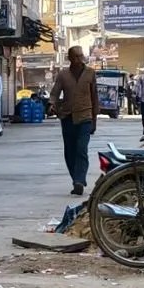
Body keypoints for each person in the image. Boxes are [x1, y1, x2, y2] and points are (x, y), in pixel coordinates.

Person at [48, 45, 102, 195]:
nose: (79, 59)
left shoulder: (90, 73)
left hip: (85, 117)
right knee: (69, 151)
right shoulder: (63, 75)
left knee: (81, 149)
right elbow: (55, 92)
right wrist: (51, 105)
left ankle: (80, 180)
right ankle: (75, 179)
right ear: (70, 58)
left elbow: (94, 97)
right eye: (76, 56)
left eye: (81, 56)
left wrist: (94, 120)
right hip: (67, 117)